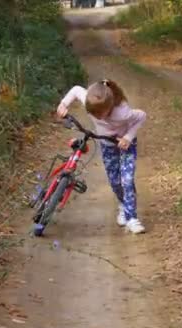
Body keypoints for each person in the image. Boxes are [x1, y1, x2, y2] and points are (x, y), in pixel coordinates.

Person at [56, 79, 147, 234]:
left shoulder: (122, 112)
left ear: (110, 107)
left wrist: (128, 137)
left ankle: (132, 218)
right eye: (92, 113)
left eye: (100, 114)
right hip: (107, 146)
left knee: (127, 180)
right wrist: (63, 104)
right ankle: (122, 205)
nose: (97, 117)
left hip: (126, 145)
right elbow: (76, 88)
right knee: (115, 181)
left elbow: (142, 116)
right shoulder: (90, 101)